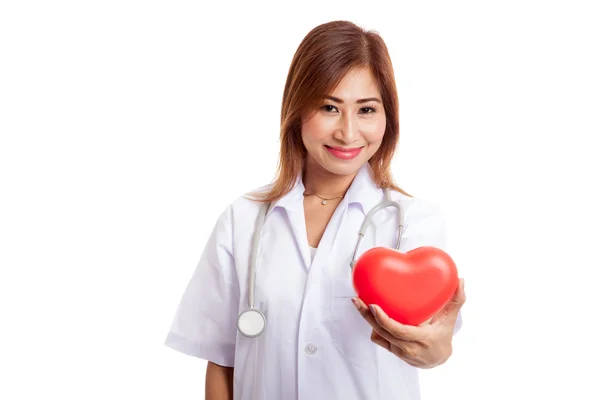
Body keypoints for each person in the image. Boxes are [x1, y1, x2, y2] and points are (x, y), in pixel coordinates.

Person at [164, 20, 466, 400]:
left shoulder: (413, 222)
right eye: (329, 107)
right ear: (296, 109)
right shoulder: (242, 220)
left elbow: (433, 342)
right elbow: (221, 359)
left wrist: (436, 350)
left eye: (367, 109)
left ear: (387, 118)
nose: (348, 132)